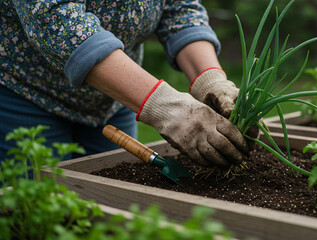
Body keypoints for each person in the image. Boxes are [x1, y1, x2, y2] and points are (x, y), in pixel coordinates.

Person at [0, 0, 252, 168]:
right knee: (42, 212)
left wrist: (211, 80)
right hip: (28, 93)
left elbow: (179, 9)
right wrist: (169, 108)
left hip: (114, 98)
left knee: (110, 213)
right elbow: (57, 21)